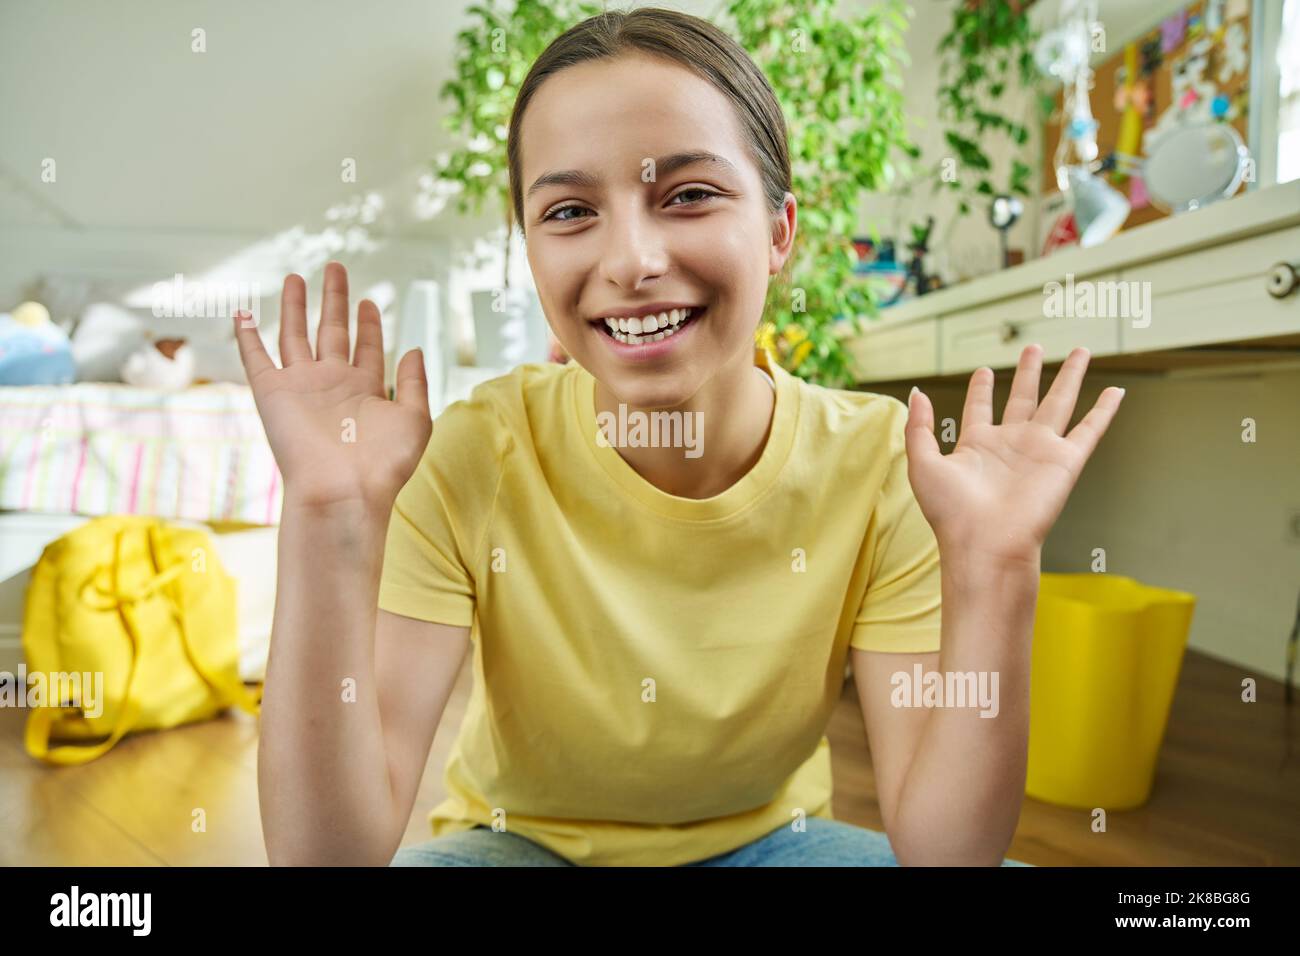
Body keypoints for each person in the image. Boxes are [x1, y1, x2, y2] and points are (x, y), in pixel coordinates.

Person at [234, 7, 1123, 867]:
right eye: (570, 212)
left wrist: (997, 568)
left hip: (774, 846)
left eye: (689, 195)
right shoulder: (474, 452)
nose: (630, 261)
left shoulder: (881, 464)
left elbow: (948, 853)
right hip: (520, 846)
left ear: (779, 232)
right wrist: (325, 515)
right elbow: (327, 858)